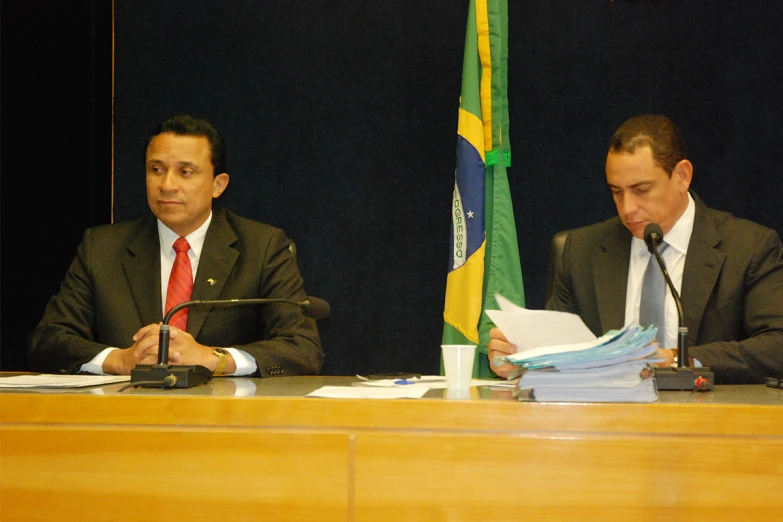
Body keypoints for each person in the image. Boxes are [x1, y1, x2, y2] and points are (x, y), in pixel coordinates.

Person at [489, 114, 783, 384]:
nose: (627, 209)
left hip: (710, 426)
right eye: (617, 192)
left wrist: (679, 359)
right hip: (607, 428)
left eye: (641, 190)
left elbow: (776, 345)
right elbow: (562, 353)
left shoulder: (749, 248)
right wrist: (521, 359)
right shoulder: (580, 252)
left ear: (682, 176)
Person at [28, 115, 323, 377]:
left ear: (218, 184)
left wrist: (214, 358)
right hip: (124, 419)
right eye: (156, 169)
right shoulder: (101, 247)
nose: (167, 185)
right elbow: (50, 340)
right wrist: (119, 359)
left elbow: (302, 348)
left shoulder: (262, 247)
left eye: (185, 172)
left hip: (226, 421)